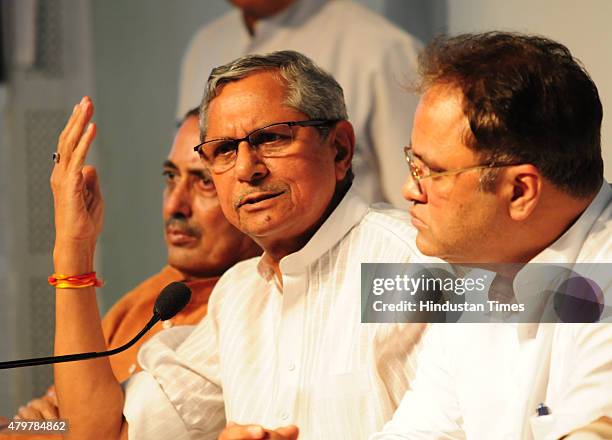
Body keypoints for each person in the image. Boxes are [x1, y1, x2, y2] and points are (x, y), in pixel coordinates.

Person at [51, 51, 431, 440]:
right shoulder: (238, 298)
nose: (247, 169)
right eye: (225, 151)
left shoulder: (414, 265)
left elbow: (484, 418)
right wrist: (73, 249)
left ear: (339, 148)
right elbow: (102, 433)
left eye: (270, 138)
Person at [371, 32, 612, 440]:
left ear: (520, 191)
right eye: (413, 163)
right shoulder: (477, 280)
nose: (409, 190)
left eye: (432, 172)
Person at [4, 109, 260, 438]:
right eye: (171, 178)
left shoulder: (248, 309)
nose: (175, 205)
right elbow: (43, 420)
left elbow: (88, 433)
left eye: (205, 182)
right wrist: (24, 426)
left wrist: (74, 251)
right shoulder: (147, 300)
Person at [178, 0, 421, 207]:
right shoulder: (205, 46)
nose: (244, 169)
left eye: (273, 138)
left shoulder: (381, 49)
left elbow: (416, 205)